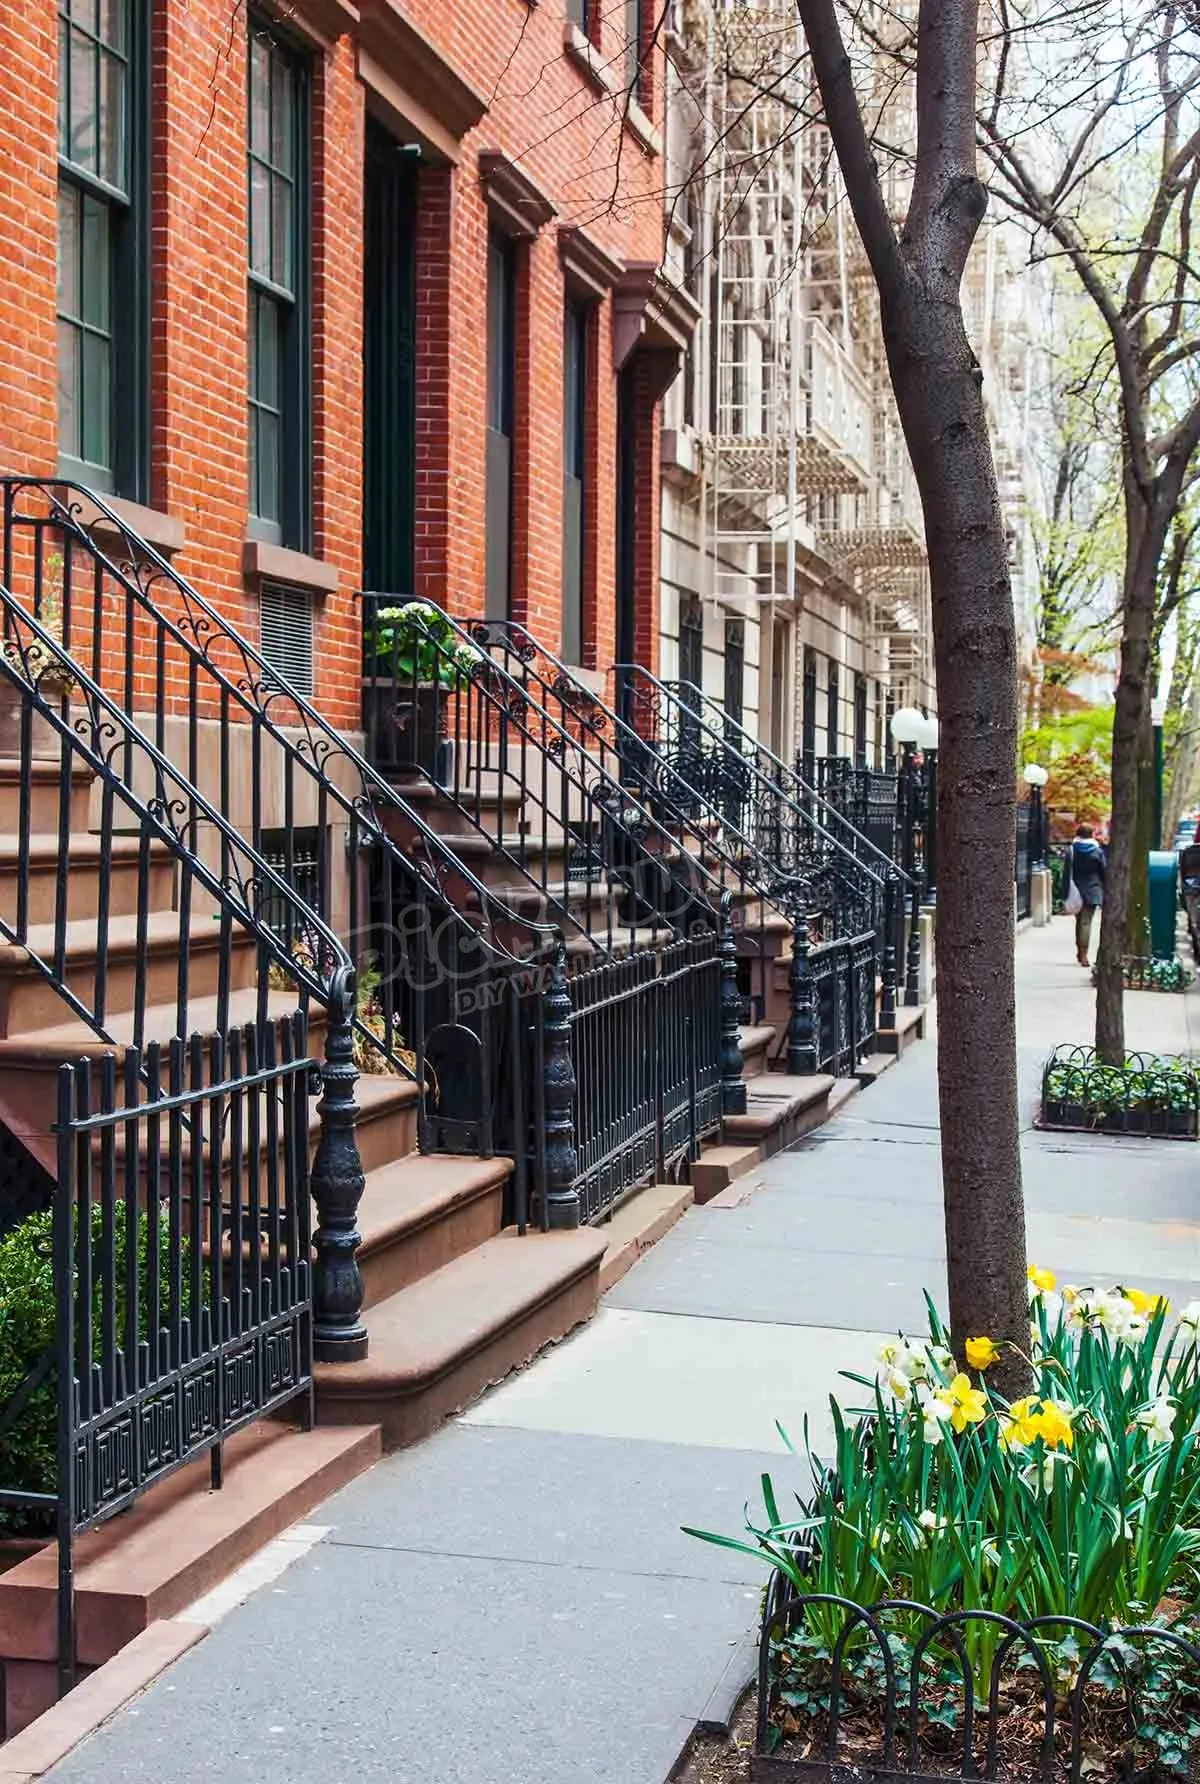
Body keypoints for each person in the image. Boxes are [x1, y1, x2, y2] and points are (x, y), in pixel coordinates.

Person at [1068, 823, 1106, 967]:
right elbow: (1103, 870)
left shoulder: (1072, 850)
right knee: (1086, 923)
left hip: (1076, 889)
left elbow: (1067, 871)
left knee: (1079, 921)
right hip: (1092, 890)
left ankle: (1080, 950)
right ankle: (1084, 954)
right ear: (1091, 834)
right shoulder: (1097, 851)